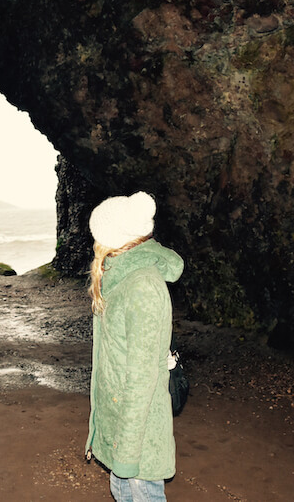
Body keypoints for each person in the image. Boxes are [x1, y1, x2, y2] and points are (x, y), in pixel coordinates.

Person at [84, 191, 184, 502]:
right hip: (122, 421)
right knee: (121, 490)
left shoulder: (142, 287)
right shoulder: (120, 276)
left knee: (140, 493)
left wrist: (126, 452)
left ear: (116, 239)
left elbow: (142, 380)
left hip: (137, 434)